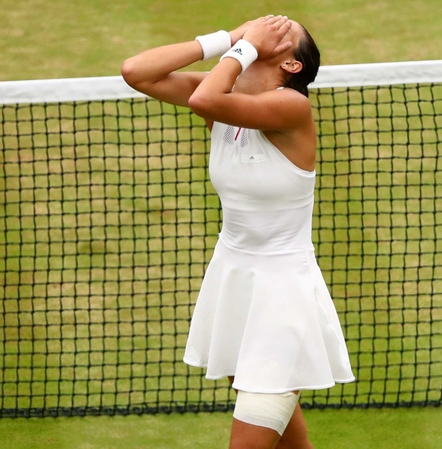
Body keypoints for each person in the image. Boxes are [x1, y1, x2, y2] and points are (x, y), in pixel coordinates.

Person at [121, 15, 354, 449]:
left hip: (283, 295)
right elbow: (137, 71)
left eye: (286, 33)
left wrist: (244, 47)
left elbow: (205, 99)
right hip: (234, 282)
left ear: (292, 66)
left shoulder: (290, 106)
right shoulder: (226, 98)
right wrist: (230, 37)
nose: (275, 24)